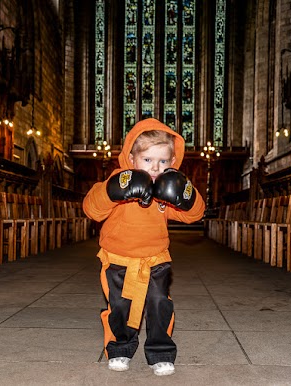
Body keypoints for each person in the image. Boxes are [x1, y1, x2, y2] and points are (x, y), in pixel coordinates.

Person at [82, 118, 205, 376]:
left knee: (159, 304)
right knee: (120, 308)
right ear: (131, 157)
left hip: (155, 259)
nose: (154, 167)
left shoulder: (165, 189)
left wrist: (185, 193)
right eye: (147, 160)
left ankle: (161, 353)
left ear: (172, 163)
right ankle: (119, 349)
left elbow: (194, 215)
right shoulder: (118, 181)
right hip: (117, 258)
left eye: (162, 161)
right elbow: (92, 209)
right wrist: (112, 191)